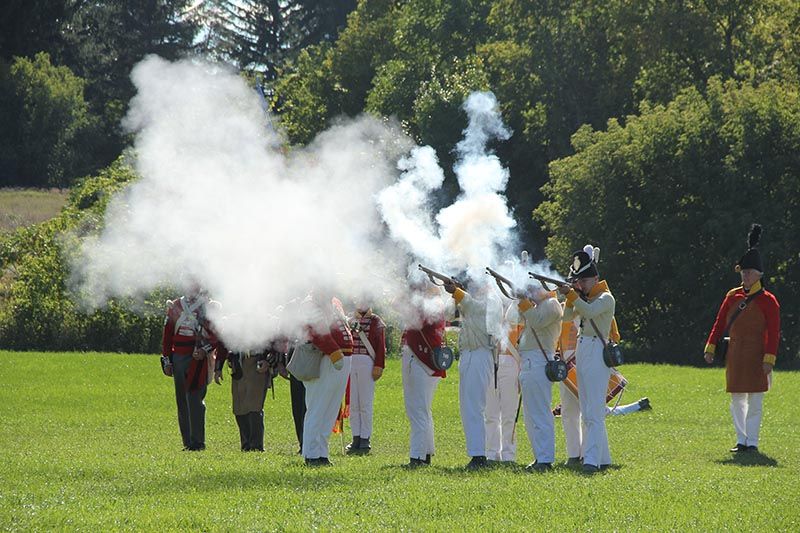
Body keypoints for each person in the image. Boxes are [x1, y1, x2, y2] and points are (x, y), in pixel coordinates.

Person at [704, 224, 780, 453]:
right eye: (743, 272)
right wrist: (710, 346)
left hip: (758, 354)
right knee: (737, 399)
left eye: (749, 272)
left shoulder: (769, 300)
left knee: (755, 401)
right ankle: (741, 439)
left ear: (759, 275)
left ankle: (753, 442)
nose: (745, 276)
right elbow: (719, 323)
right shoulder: (732, 296)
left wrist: (769, 358)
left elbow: (774, 332)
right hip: (736, 353)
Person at [559, 245, 616, 474]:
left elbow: (591, 313)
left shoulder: (606, 298)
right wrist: (571, 296)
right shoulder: (582, 297)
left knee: (593, 410)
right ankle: (603, 458)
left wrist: (573, 294)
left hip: (596, 350)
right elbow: (567, 316)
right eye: (577, 280)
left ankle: (591, 460)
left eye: (583, 280)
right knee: (587, 407)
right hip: (583, 349)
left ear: (594, 278)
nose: (580, 284)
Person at [444, 278, 502, 469]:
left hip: (481, 353)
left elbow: (475, 307)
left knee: (475, 407)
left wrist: (458, 292)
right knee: (468, 407)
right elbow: (448, 313)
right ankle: (476, 453)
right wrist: (454, 293)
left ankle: (479, 455)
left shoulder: (491, 300)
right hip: (468, 355)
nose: (475, 286)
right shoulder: (469, 299)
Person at [161, 285, 220, 451]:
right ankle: (187, 441)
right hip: (179, 357)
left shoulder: (206, 307)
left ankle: (198, 441)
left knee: (195, 400)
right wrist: (167, 360)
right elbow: (168, 335)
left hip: (198, 358)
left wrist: (204, 350)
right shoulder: (176, 305)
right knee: (182, 401)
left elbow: (215, 335)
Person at [300, 294, 354, 466]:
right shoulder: (311, 301)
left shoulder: (335, 301)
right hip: (325, 358)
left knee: (330, 410)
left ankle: (321, 452)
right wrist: (333, 352)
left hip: (341, 358)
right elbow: (316, 330)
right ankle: (311, 454)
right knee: (318, 408)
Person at [516, 284, 563, 471]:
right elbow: (515, 318)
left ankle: (545, 459)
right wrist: (520, 300)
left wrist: (524, 302)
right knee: (530, 415)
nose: (532, 291)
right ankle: (539, 456)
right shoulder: (536, 306)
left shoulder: (552, 304)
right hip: (529, 360)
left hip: (539, 360)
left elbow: (537, 322)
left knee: (540, 413)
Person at [401, 285, 447, 467]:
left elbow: (416, 318)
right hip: (424, 360)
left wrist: (403, 300)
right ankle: (426, 452)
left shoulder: (433, 304)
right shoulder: (433, 302)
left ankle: (417, 456)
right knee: (422, 409)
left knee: (417, 410)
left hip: (422, 361)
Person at [214, 340, 287, 452]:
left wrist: (268, 361)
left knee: (254, 406)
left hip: (258, 361)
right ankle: (246, 444)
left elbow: (275, 340)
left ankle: (256, 446)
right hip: (237, 363)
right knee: (239, 407)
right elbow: (224, 340)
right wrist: (218, 367)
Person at [484, 301, 522, 463]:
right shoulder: (491, 302)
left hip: (511, 360)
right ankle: (492, 453)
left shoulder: (519, 306)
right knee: (490, 413)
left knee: (509, 413)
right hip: (491, 359)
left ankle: (508, 454)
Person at [346, 305, 386, 455]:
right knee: (354, 403)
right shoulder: (350, 319)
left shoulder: (376, 321)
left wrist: (379, 365)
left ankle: (365, 438)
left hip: (367, 362)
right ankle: (356, 436)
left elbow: (380, 346)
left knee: (365, 403)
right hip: (351, 362)